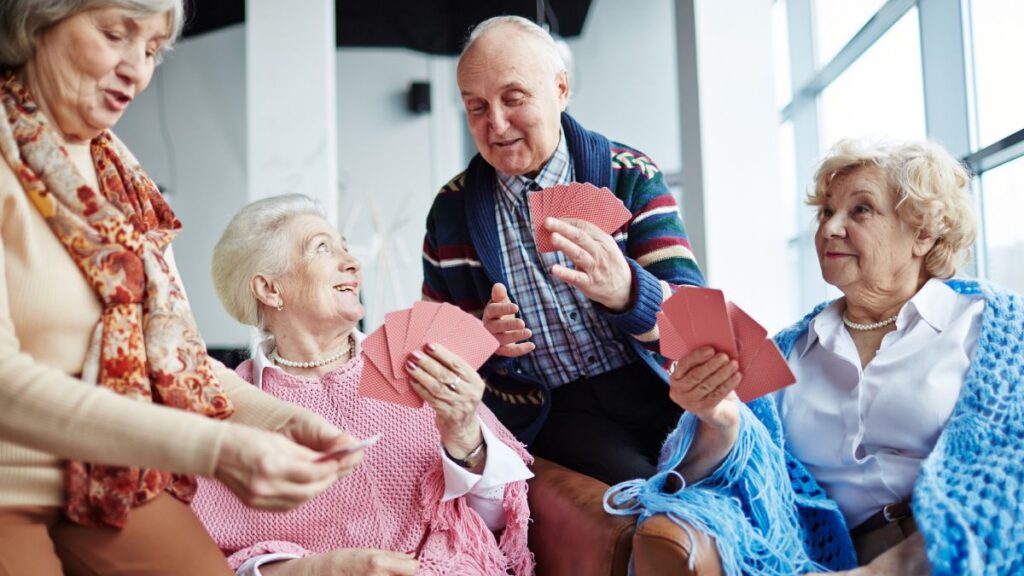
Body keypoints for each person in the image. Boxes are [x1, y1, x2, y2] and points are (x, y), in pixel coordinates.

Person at [0, 2, 364, 574]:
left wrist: (279, 419)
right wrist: (214, 450)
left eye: (150, 51)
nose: (136, 71)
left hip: (112, 483)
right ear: (36, 21)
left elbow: (181, 362)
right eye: (115, 35)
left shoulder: (122, 177)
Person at [607, 139, 1023, 575]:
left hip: (953, 553)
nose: (830, 228)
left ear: (922, 233)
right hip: (821, 559)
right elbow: (725, 478)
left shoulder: (997, 329)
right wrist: (720, 421)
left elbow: (1010, 466)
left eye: (860, 210)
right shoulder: (787, 352)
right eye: (826, 211)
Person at [421, 15, 705, 486]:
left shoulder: (628, 174)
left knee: (729, 474)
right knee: (646, 499)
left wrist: (628, 291)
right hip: (555, 410)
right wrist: (483, 341)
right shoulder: (449, 212)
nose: (496, 123)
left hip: (661, 385)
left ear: (560, 89)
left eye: (514, 99)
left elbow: (695, 325)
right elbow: (437, 353)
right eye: (476, 107)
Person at [191, 194, 535, 576]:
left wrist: (465, 432)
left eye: (346, 248)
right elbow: (216, 559)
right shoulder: (231, 407)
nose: (352, 263)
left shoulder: (416, 361)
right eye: (322, 248)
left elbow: (496, 519)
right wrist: (320, 569)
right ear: (270, 290)